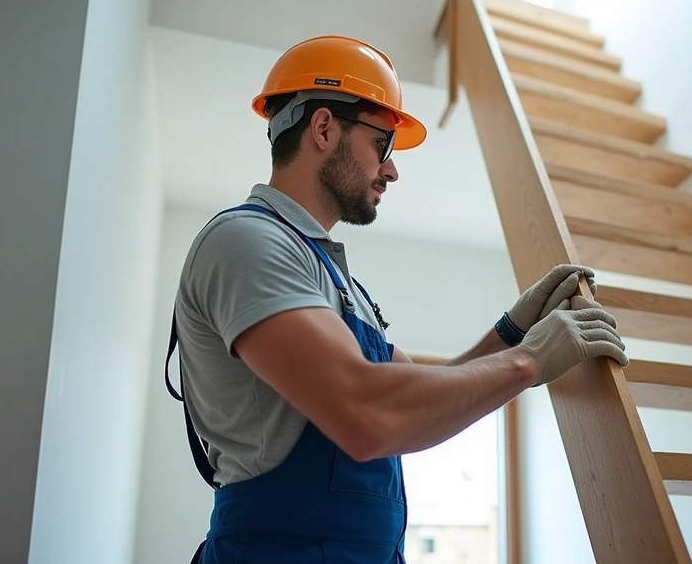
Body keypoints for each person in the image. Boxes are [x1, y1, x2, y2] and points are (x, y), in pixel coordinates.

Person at [166, 35, 629, 564]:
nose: (392, 169)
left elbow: (416, 401)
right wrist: (529, 361)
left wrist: (512, 331)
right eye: (382, 144)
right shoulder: (247, 242)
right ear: (322, 128)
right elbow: (366, 413)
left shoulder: (333, 280)